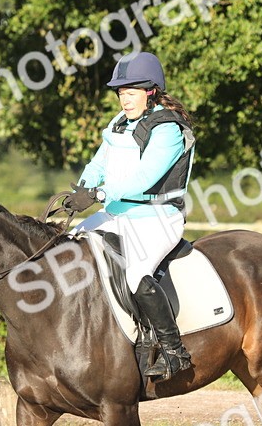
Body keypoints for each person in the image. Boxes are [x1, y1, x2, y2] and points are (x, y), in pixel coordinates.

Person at [65, 51, 196, 379]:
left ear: (151, 91)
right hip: (117, 213)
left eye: (131, 92)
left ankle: (173, 350)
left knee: (136, 273)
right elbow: (99, 163)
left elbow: (144, 178)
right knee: (67, 248)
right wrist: (82, 188)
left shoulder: (167, 128)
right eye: (121, 93)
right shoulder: (119, 122)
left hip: (157, 216)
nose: (124, 99)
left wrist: (98, 194)